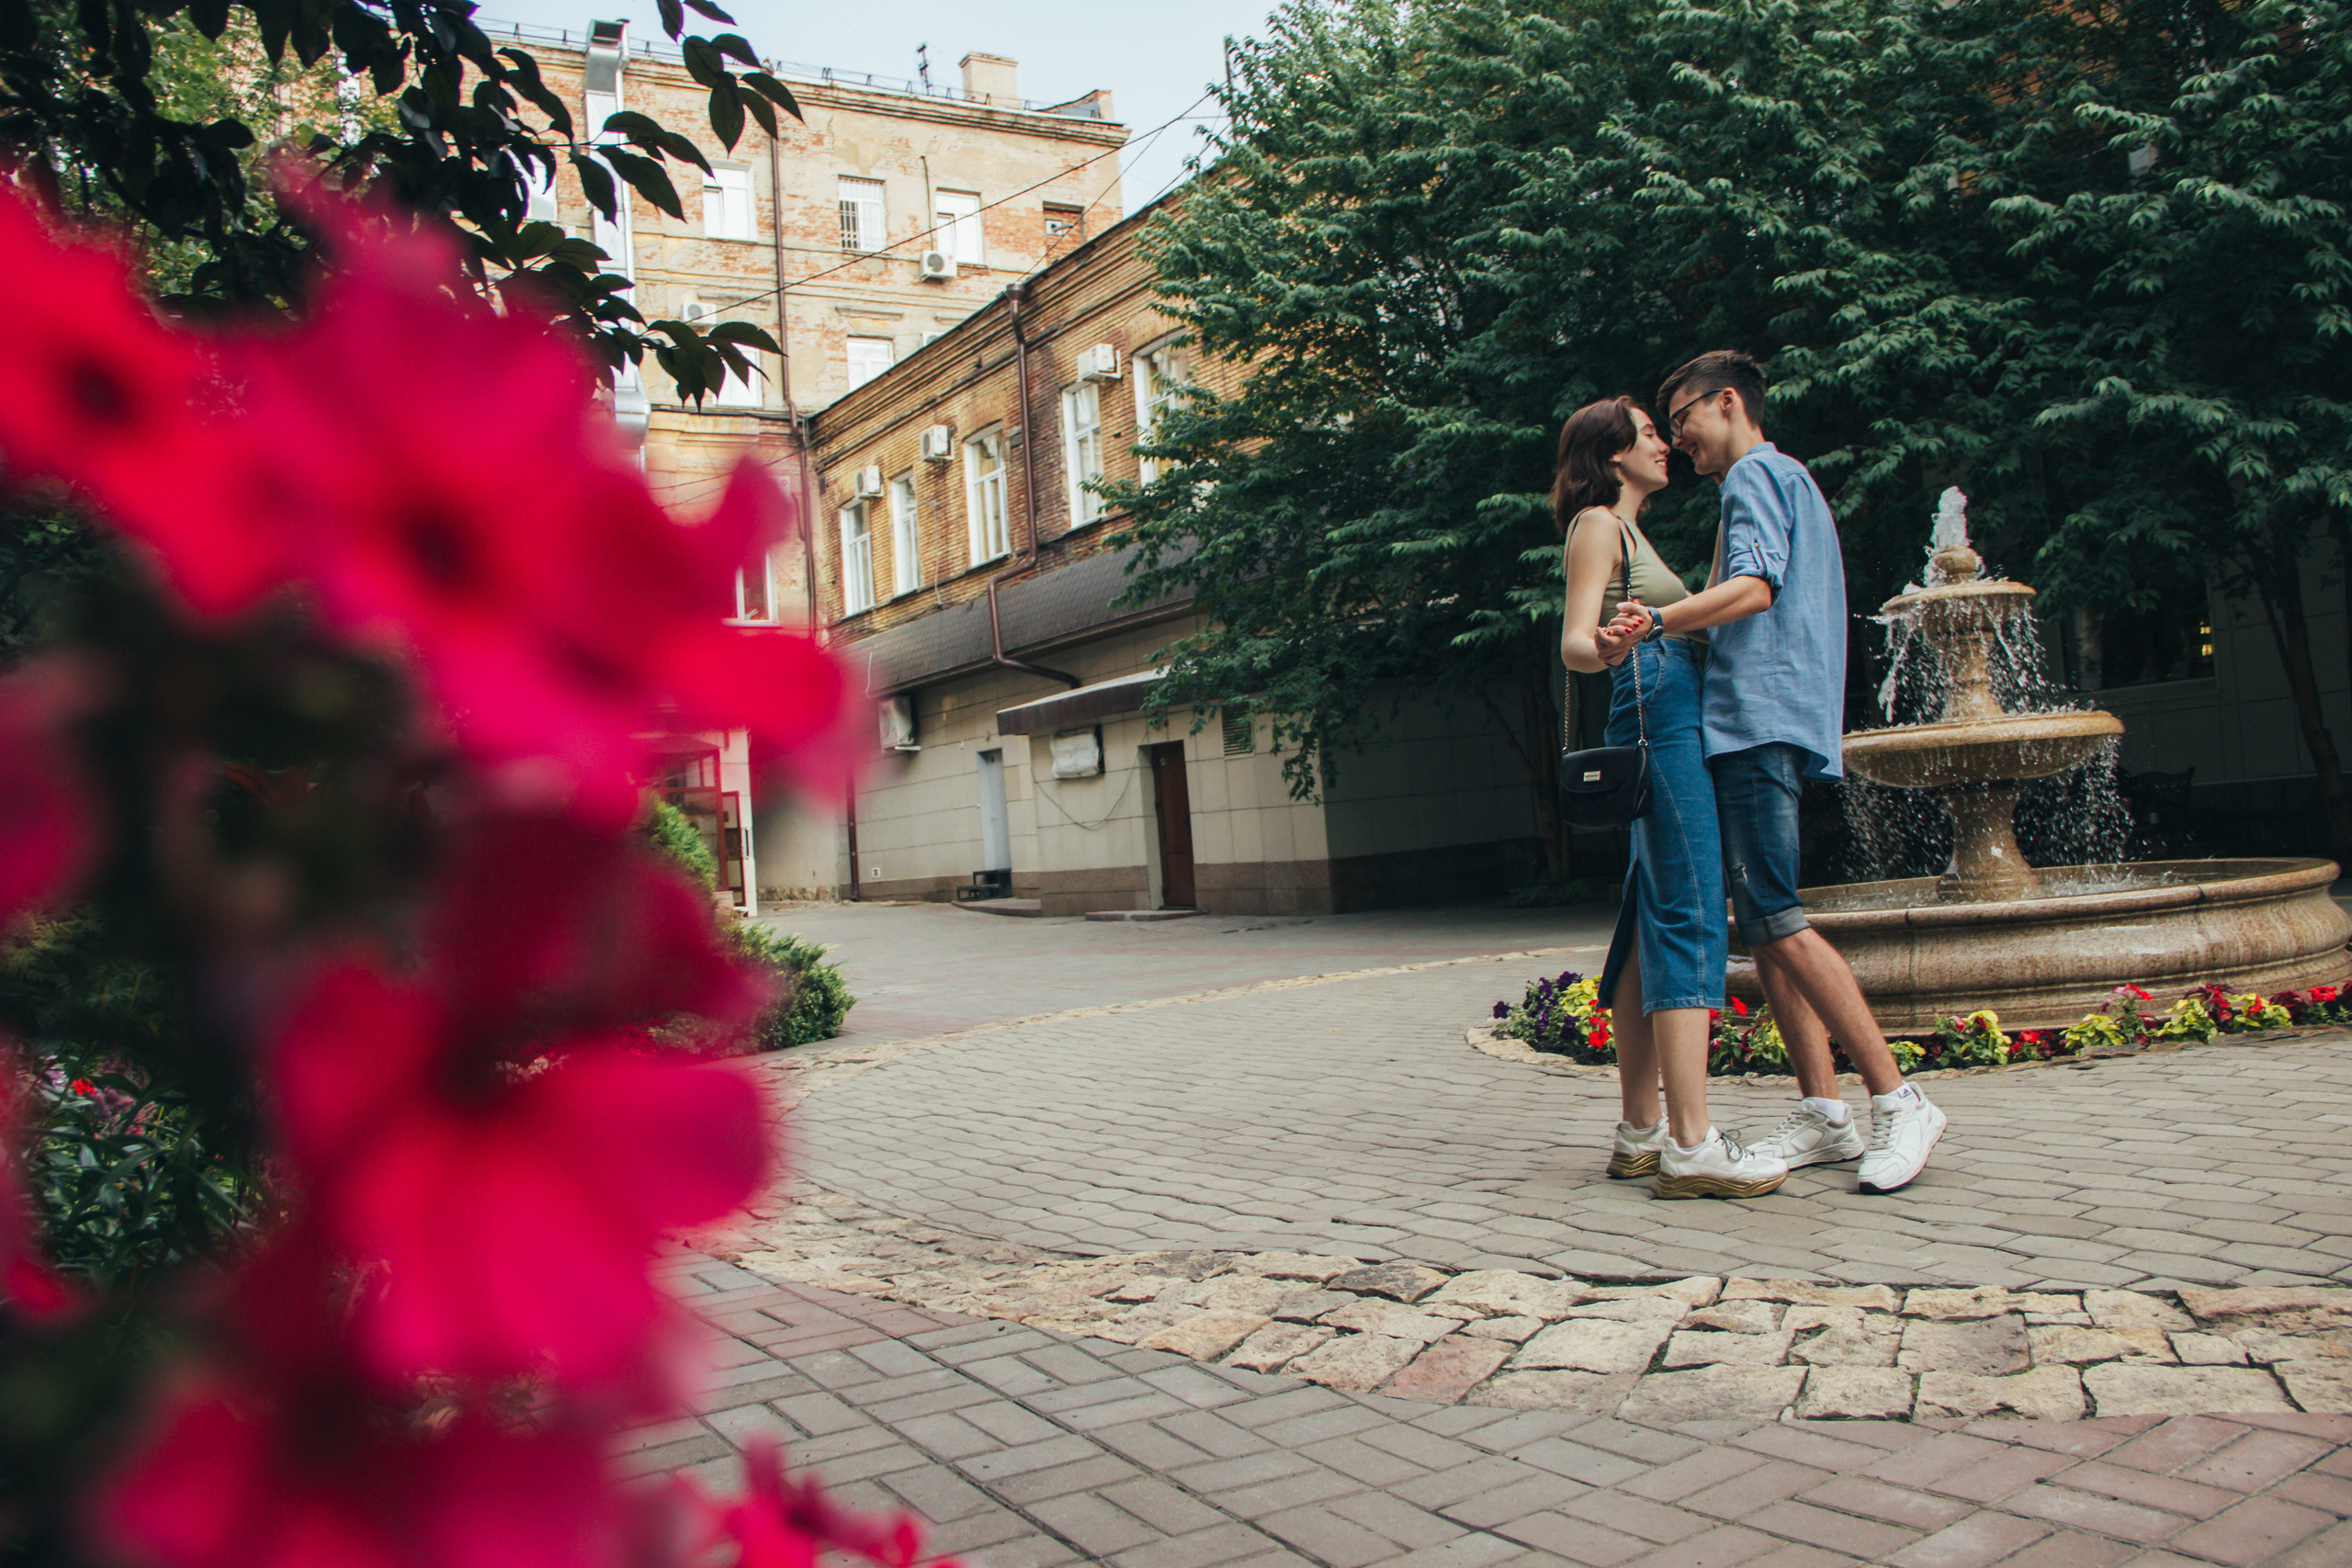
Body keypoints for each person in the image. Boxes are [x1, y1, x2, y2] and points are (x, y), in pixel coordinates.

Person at [1606, 351, 1946, 1194]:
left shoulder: (1755, 475)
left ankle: (1899, 1098)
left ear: (1728, 401)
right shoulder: (1786, 480)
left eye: (1683, 417)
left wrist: (1657, 622)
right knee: (1762, 925)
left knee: (1780, 919)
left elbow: (1756, 588)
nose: (1678, 438)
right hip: (1766, 719)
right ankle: (1824, 1111)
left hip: (1758, 719)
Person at [1555, 396, 1788, 1199]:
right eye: (1649, 433)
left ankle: (1641, 1132)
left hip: (1661, 699)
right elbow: (1575, 642)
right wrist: (1609, 645)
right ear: (1612, 452)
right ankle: (1693, 1143)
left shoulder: (1631, 530)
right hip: (1659, 700)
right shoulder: (1599, 524)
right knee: (1688, 903)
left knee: (1646, 911)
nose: (1665, 442)